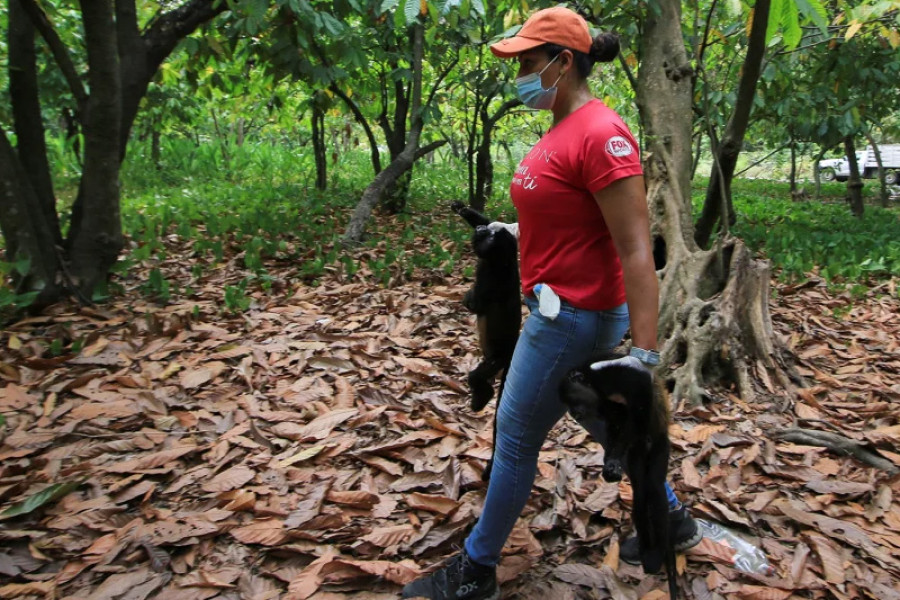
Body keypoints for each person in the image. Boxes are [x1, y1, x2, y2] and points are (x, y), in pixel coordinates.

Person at [402, 7, 702, 600]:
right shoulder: (562, 128)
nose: (518, 72)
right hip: (558, 306)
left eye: (527, 62)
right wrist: (511, 233)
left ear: (565, 63)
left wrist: (645, 357)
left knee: (515, 435)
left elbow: (637, 251)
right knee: (589, 411)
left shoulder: (602, 134)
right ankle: (669, 517)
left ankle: (476, 569)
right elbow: (566, 217)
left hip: (570, 317)